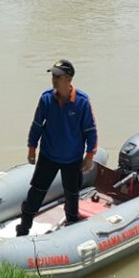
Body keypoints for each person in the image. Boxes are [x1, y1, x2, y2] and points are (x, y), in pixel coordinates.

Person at [16, 59, 98, 237]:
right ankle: (23, 228)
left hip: (72, 159)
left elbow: (90, 131)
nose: (54, 79)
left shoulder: (82, 102)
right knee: (36, 193)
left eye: (58, 76)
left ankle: (72, 227)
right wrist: (31, 148)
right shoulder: (46, 99)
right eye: (53, 76)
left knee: (72, 195)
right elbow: (37, 125)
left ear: (69, 79)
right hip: (48, 156)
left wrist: (90, 155)